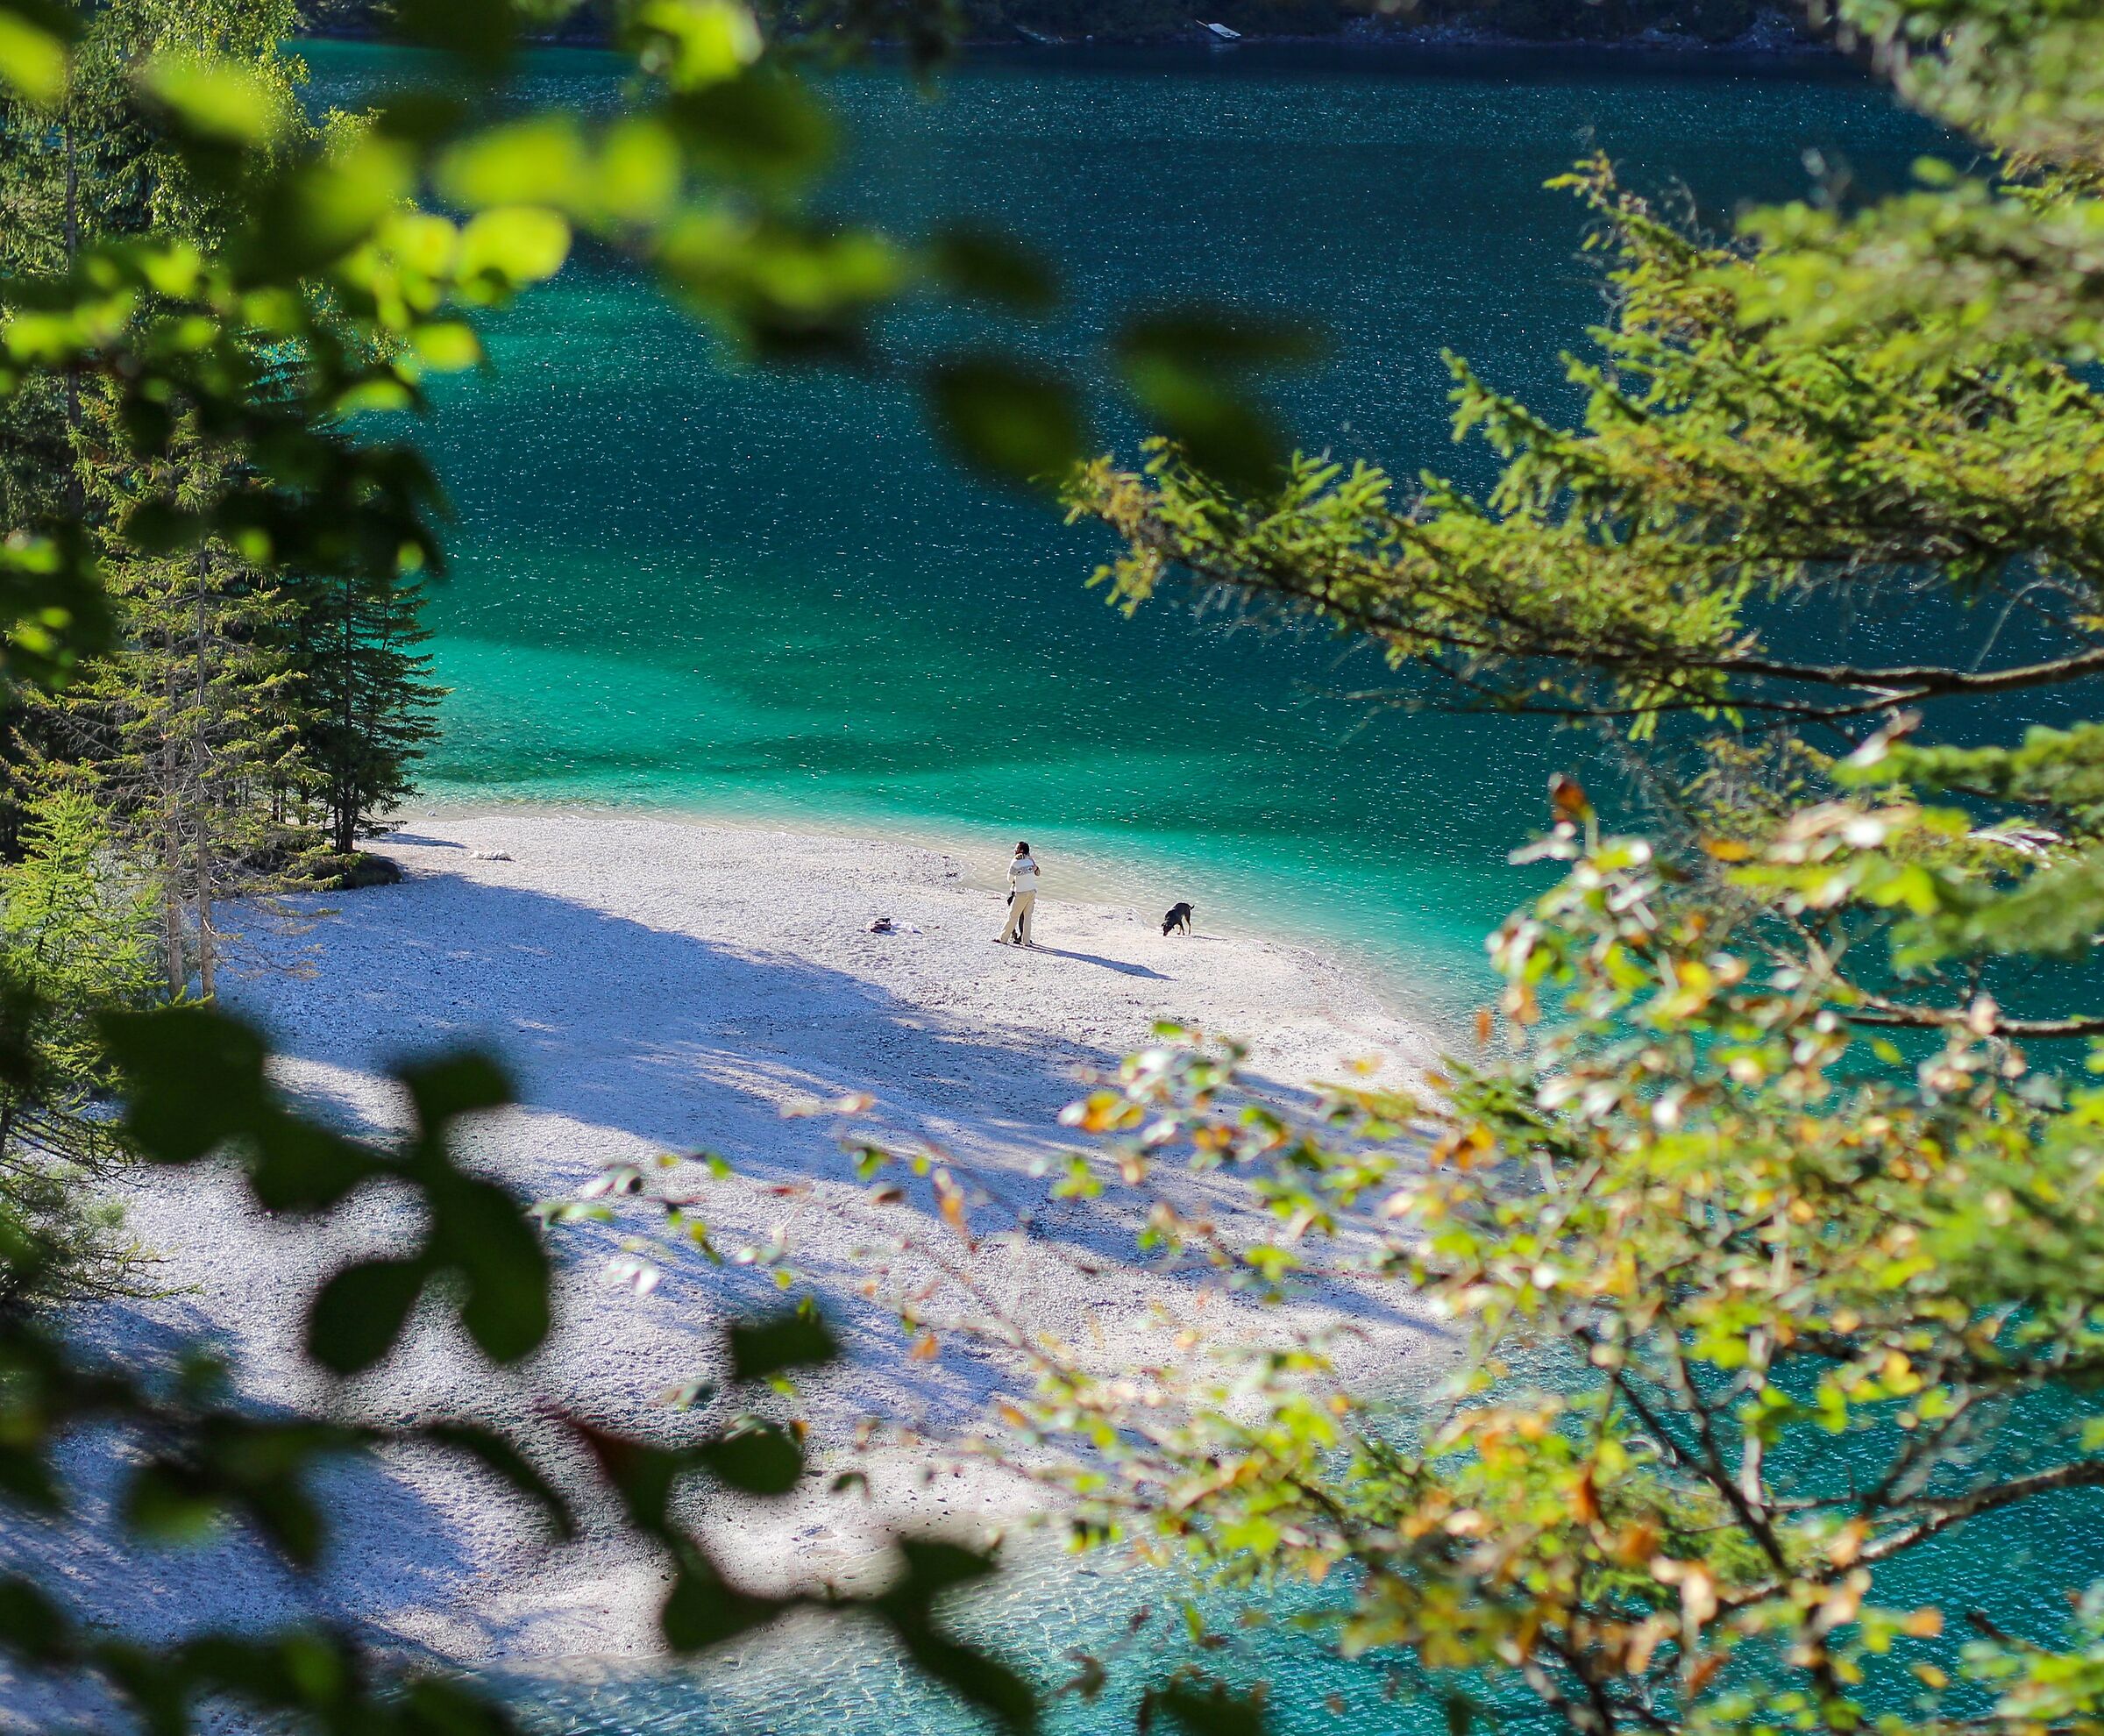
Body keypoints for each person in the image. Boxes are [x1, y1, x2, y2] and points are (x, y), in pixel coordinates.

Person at [998, 841, 1040, 947]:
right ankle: (1026, 941)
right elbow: (1036, 872)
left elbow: (1009, 879)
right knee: (1027, 917)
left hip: (1021, 893)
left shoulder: (1015, 862)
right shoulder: (1030, 861)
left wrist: (1017, 877)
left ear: (1021, 850)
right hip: (1032, 892)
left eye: (1016, 848)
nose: (1014, 850)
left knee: (1013, 916)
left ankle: (1003, 938)